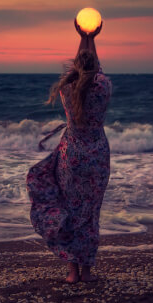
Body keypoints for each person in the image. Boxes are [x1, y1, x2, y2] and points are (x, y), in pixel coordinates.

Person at [26, 18, 112, 284]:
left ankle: (73, 272)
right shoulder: (103, 87)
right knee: (90, 213)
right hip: (96, 156)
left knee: (72, 210)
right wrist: (92, 38)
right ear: (97, 68)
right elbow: (93, 70)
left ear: (75, 68)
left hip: (71, 156)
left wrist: (82, 38)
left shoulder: (66, 90)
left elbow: (82, 70)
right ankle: (87, 272)